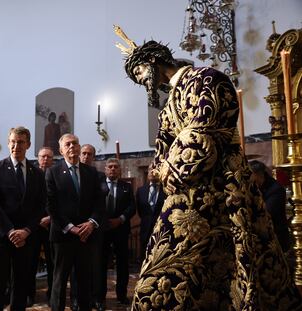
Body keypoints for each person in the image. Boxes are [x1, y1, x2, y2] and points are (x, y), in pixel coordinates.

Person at [114, 25, 302, 309]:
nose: (141, 80)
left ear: (151, 60)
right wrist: (162, 166)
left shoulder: (207, 78)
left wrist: (169, 168)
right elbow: (162, 149)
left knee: (235, 261)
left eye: (139, 73)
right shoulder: (168, 106)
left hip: (223, 184)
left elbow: (203, 131)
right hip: (185, 191)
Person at [0, 126, 46, 311]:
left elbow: (40, 206)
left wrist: (26, 231)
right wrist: (11, 231)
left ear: (28, 144)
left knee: (21, 287)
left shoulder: (37, 173)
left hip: (26, 239)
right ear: (8, 143)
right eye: (12, 141)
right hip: (1, 238)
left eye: (20, 142)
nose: (16, 145)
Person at [46, 133, 105, 311]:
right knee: (59, 282)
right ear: (61, 150)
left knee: (85, 282)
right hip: (63, 236)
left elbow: (99, 201)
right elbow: (51, 205)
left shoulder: (91, 172)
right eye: (68, 144)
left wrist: (91, 223)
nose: (72, 147)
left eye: (75, 143)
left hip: (86, 236)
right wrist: (70, 227)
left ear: (79, 147)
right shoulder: (52, 172)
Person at [100, 158, 135, 306]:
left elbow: (132, 207)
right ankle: (100, 297)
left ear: (120, 170)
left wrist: (120, 219)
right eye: (110, 167)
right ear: (105, 169)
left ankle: (122, 295)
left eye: (115, 167)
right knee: (100, 264)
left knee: (122, 264)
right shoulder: (98, 186)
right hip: (102, 230)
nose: (113, 169)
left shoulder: (126, 187)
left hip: (120, 229)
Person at [27, 146, 55, 306]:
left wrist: (50, 218)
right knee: (31, 262)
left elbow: (62, 201)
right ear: (38, 158)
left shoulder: (57, 175)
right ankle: (29, 294)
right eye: (43, 156)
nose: (45, 159)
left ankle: (52, 293)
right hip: (34, 226)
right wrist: (37, 220)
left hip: (52, 226)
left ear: (53, 159)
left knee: (53, 262)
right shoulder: (30, 174)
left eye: (49, 157)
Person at [249, 160, 291, 252]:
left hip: (276, 240)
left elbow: (266, 213)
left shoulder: (276, 189)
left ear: (258, 175)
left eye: (250, 175)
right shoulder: (254, 187)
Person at [136, 163, 165, 261]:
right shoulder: (141, 191)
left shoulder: (166, 190)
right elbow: (140, 211)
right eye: (150, 169)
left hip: (162, 229)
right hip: (145, 230)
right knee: (145, 257)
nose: (152, 172)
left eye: (155, 169)